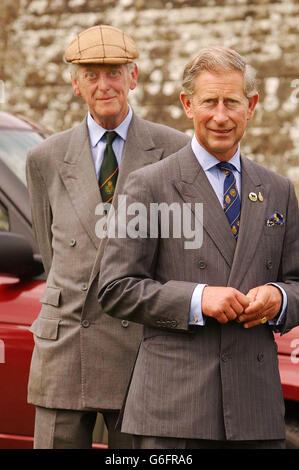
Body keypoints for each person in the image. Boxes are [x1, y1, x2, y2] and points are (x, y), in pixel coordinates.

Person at [98, 46, 299, 449]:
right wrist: (197, 298)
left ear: (252, 105)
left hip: (255, 413)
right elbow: (115, 288)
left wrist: (278, 299)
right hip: (175, 414)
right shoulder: (148, 185)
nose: (221, 116)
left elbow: (297, 283)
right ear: (188, 105)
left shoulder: (278, 190)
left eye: (232, 102)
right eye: (210, 102)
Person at [26, 24, 189, 449]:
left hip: (139, 344)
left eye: (114, 72)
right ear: (75, 83)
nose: (104, 85)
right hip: (65, 346)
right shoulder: (44, 158)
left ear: (133, 77)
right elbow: (49, 252)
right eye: (92, 74)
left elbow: (178, 252)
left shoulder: (173, 150)